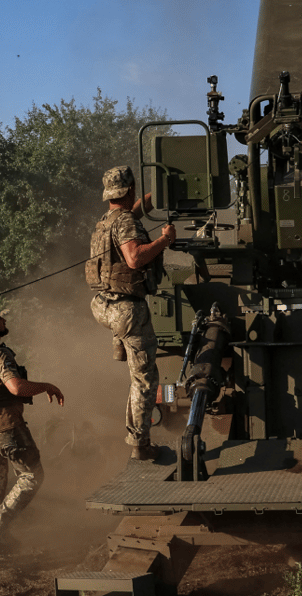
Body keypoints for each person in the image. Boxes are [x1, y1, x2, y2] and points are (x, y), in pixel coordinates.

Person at [87, 165, 175, 461]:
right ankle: (140, 444)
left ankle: (119, 341)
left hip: (103, 305)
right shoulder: (125, 222)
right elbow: (135, 259)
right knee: (145, 378)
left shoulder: (107, 219)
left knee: (136, 366)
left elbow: (131, 213)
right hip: (126, 310)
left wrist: (156, 196)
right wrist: (164, 240)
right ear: (131, 189)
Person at [0, 305, 64, 542]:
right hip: (6, 427)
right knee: (32, 477)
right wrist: (47, 386)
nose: (4, 321)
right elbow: (16, 388)